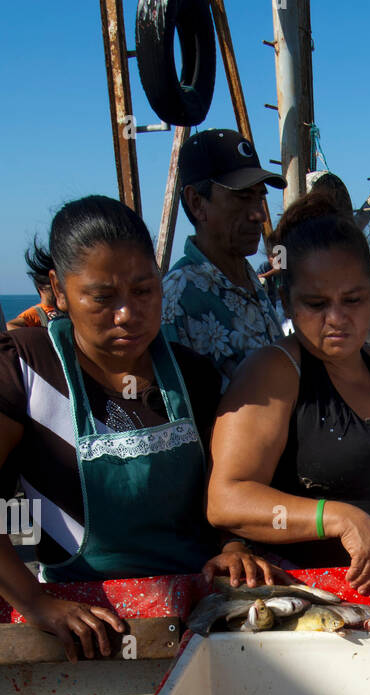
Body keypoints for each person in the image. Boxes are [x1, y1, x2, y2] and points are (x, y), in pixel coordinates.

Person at [0, 196, 282, 659]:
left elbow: (225, 487)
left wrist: (233, 545)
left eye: (144, 290)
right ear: (59, 287)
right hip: (85, 630)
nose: (127, 314)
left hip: (198, 616)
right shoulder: (26, 368)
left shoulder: (193, 375)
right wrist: (38, 605)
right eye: (103, 297)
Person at [206, 190, 370, 594]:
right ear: (286, 303)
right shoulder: (275, 372)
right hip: (316, 609)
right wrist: (339, 517)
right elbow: (226, 501)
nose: (337, 319)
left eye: (353, 300)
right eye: (316, 303)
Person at [161, 129, 287, 388]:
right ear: (197, 203)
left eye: (260, 197)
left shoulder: (248, 277)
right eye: (242, 198)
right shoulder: (177, 298)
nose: (259, 215)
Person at [6, 240, 63, 329]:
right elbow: (10, 326)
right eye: (52, 287)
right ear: (41, 288)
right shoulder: (34, 313)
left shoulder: (64, 308)